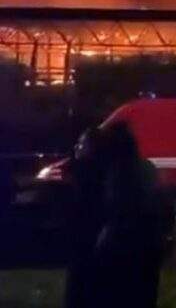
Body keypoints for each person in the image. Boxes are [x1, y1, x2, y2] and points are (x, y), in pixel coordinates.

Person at [95, 122, 172, 308]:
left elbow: (114, 208)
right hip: (150, 246)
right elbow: (164, 202)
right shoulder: (148, 168)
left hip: (122, 246)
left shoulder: (114, 172)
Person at [64, 127, 108, 308]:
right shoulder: (106, 173)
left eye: (81, 144)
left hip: (86, 242)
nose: (77, 147)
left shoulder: (84, 173)